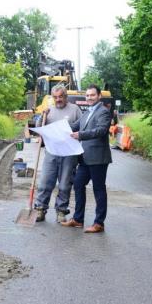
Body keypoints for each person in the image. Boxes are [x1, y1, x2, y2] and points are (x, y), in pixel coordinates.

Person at [61, 84, 112, 233]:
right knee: (78, 184)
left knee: (98, 189)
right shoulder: (86, 113)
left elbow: (101, 131)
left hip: (98, 158)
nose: (89, 98)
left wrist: (81, 135)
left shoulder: (104, 112)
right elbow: (74, 126)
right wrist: (56, 126)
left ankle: (99, 223)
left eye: (92, 95)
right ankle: (78, 219)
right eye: (87, 95)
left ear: (99, 96)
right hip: (84, 158)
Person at [34, 85, 83, 223]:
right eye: (55, 97)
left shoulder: (75, 109)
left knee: (65, 184)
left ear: (66, 96)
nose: (58, 99)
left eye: (60, 96)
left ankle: (61, 211)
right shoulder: (49, 111)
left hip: (69, 154)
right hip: (51, 152)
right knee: (45, 182)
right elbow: (39, 127)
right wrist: (42, 116)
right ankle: (40, 209)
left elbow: (82, 126)